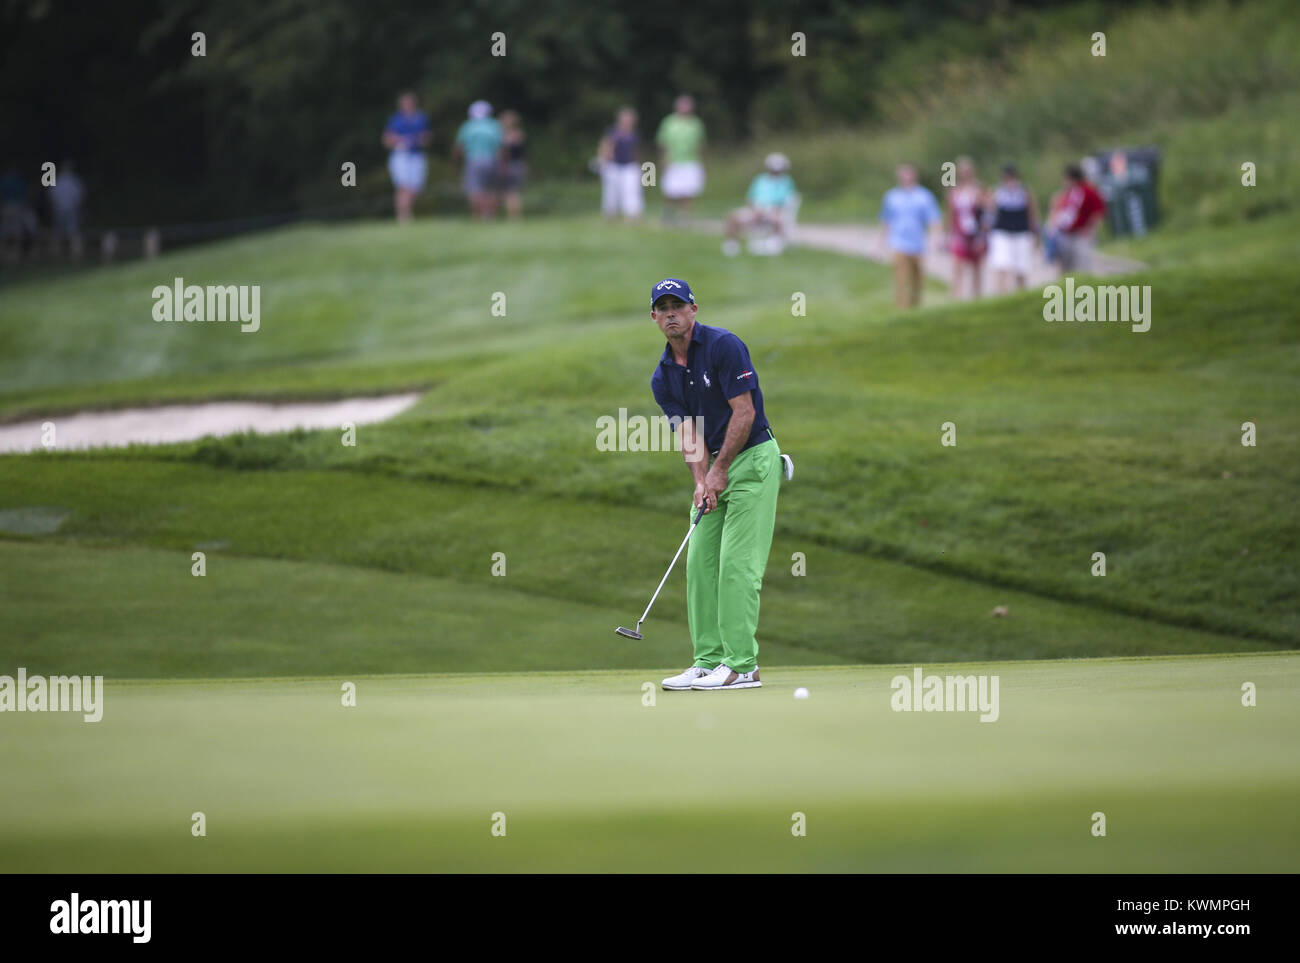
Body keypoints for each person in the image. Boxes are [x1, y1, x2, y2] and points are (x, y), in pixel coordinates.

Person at [648, 278, 784, 692]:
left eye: (678, 305)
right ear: (654, 317)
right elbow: (689, 434)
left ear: (694, 309)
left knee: (736, 567)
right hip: (714, 470)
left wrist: (719, 471)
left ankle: (742, 665)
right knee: (700, 566)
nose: (671, 313)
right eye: (663, 307)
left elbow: (743, 413)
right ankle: (708, 661)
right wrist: (699, 481)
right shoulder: (663, 378)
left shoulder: (725, 346)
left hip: (753, 461)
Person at [877, 164, 942, 308]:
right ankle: (901, 309)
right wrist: (881, 243)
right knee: (901, 280)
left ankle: (915, 307)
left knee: (917, 280)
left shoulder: (924, 196)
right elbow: (885, 221)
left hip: (918, 244)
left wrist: (936, 238)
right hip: (899, 244)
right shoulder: (891, 197)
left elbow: (933, 219)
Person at [721, 153, 797, 256]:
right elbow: (750, 198)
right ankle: (732, 246)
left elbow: (785, 201)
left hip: (774, 210)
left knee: (777, 220)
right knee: (734, 216)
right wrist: (755, 210)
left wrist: (768, 212)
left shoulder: (786, 181)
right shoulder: (760, 179)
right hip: (755, 209)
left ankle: (774, 246)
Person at [986, 164, 1040, 292]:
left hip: (1021, 232)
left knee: (1021, 268)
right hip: (1002, 233)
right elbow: (990, 212)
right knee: (1001, 265)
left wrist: (1036, 233)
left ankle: (1021, 295)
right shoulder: (997, 192)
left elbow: (1032, 213)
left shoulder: (1024, 192)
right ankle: (1001, 293)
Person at [1046, 163, 1107, 275]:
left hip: (1081, 234)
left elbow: (1098, 212)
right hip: (1066, 234)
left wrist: (1090, 229)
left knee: (1082, 265)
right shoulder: (1067, 193)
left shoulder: (1088, 191)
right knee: (1066, 267)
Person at [381, 91, 432, 222]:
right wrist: (399, 141)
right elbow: (387, 139)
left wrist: (420, 140)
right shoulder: (395, 120)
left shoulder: (421, 118)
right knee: (403, 186)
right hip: (401, 155)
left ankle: (406, 212)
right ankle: (404, 216)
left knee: (415, 187)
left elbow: (427, 137)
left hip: (417, 155)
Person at [655, 95, 705, 224]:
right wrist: (663, 159)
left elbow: (700, 144)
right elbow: (662, 142)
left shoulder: (696, 123)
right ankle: (668, 213)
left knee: (688, 189)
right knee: (670, 189)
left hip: (690, 160)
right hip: (673, 161)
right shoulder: (669, 122)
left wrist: (701, 161)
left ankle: (684, 215)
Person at [944, 157, 987, 299]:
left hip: (974, 233)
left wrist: (982, 235)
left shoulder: (978, 189)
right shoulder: (954, 190)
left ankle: (977, 297)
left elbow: (984, 213)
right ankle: (956, 297)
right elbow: (951, 213)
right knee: (957, 267)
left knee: (977, 269)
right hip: (960, 233)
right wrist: (948, 234)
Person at [453, 100, 503, 219]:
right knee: (491, 188)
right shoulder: (494, 125)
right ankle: (490, 215)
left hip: (473, 160)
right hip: (491, 160)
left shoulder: (468, 126)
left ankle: (478, 215)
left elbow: (459, 147)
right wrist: (502, 164)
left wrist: (455, 163)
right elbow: (501, 148)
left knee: (474, 189)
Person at [597, 107, 643, 221]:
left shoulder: (635, 134)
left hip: (630, 166)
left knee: (631, 190)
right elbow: (605, 146)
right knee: (611, 192)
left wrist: (643, 167)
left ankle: (632, 214)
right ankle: (610, 214)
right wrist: (603, 160)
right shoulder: (612, 132)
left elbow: (637, 151)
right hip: (614, 165)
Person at [48, 159, 86, 260]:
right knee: (73, 233)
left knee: (58, 233)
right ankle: (76, 255)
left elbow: (52, 197)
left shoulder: (57, 180)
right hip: (71, 209)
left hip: (59, 209)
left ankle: (56, 255)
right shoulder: (75, 181)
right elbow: (79, 197)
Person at [495, 110, 527, 220]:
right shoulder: (520, 134)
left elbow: (504, 152)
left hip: (509, 165)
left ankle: (513, 216)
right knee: (511, 192)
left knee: (510, 192)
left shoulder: (505, 136)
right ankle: (513, 215)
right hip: (519, 165)